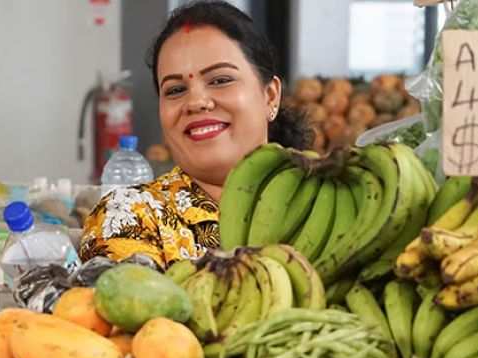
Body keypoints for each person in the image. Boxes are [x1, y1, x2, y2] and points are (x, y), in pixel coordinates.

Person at [80, 0, 313, 267]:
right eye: (175, 90)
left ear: (270, 96)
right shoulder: (130, 215)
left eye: (220, 80)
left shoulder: (325, 204)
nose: (196, 102)